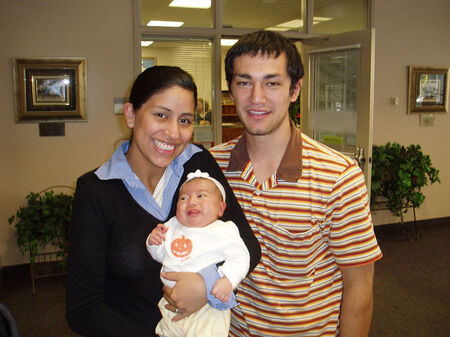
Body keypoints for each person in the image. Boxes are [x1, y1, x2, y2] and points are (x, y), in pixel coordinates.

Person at [209, 30, 383, 336]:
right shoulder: (211, 167)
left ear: (295, 90)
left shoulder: (338, 175)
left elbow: (359, 288)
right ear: (231, 90)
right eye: (244, 82)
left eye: (272, 83)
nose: (256, 97)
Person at [66, 66, 260, 337]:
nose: (174, 133)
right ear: (131, 115)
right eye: (161, 115)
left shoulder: (198, 166)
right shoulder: (97, 190)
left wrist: (206, 285)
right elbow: (82, 307)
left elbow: (247, 245)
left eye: (185, 120)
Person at [147, 169, 250, 337]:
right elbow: (160, 255)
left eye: (201, 196)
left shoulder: (223, 230)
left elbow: (241, 256)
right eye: (184, 198)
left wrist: (229, 279)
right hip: (171, 302)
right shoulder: (173, 225)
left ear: (221, 208)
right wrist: (153, 241)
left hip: (208, 306)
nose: (192, 201)